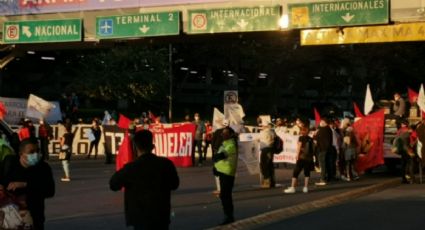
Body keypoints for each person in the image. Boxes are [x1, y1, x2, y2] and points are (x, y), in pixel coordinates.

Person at [109, 130, 179, 230]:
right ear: (152, 146)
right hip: (161, 216)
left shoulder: (131, 168)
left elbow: (113, 184)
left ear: (136, 147)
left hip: (140, 218)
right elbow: (175, 184)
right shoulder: (166, 164)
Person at [0, 138, 55, 230]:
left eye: (38, 151)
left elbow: (50, 191)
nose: (36, 154)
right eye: (31, 152)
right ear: (21, 154)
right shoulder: (9, 162)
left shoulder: (44, 168)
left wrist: (26, 184)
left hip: (34, 216)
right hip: (8, 216)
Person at [213, 127, 238, 225]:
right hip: (222, 171)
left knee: (225, 195)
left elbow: (221, 156)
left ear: (231, 135)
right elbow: (218, 158)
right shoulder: (225, 143)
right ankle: (228, 215)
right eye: (222, 133)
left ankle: (229, 216)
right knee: (224, 195)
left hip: (227, 172)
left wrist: (215, 157)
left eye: (225, 133)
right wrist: (215, 167)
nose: (222, 135)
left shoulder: (231, 144)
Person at [284, 127, 314, 194]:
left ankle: (293, 187)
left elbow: (299, 147)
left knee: (296, 172)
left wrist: (297, 155)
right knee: (307, 172)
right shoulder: (311, 139)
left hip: (301, 157)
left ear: (303, 131)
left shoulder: (301, 138)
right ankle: (305, 187)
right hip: (309, 158)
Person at [314, 119, 333, 186]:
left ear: (325, 123)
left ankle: (323, 179)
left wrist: (315, 134)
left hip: (322, 149)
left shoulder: (321, 130)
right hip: (328, 149)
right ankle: (328, 177)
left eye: (321, 122)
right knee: (327, 164)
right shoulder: (329, 129)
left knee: (323, 164)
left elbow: (316, 140)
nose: (320, 123)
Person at [259, 122, 276, 188]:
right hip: (271, 149)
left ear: (265, 126)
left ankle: (267, 182)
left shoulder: (263, 133)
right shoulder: (272, 132)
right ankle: (272, 182)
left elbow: (258, 139)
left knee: (264, 166)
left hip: (265, 150)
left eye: (262, 126)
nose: (261, 127)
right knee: (270, 165)